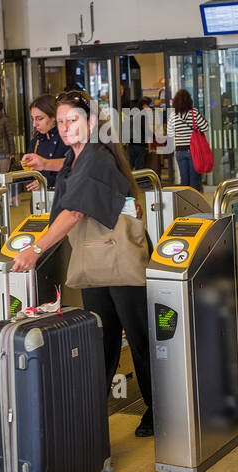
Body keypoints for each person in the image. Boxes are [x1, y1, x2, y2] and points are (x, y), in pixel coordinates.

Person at [10, 90, 154, 437]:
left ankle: (158, 406)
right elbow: (69, 171)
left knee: (138, 337)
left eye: (71, 120)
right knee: (100, 337)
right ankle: (93, 407)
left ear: (90, 122)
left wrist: (36, 249)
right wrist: (46, 165)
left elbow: (74, 211)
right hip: (96, 257)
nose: (64, 127)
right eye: (59, 122)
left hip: (118, 256)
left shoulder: (98, 156)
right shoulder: (79, 155)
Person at [21, 93, 70, 188]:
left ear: (54, 117)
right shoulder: (36, 142)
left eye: (39, 119)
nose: (35, 124)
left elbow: (76, 168)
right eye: (33, 119)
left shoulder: (67, 138)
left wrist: (47, 181)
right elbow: (30, 174)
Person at [167, 88, 210, 190]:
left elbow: (170, 133)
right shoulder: (194, 113)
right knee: (195, 181)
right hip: (194, 151)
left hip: (180, 152)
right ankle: (196, 204)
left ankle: (185, 203)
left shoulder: (173, 115)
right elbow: (205, 127)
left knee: (184, 181)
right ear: (189, 100)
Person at [127, 96, 152, 172]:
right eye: (148, 105)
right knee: (140, 167)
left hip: (131, 143)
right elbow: (145, 129)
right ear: (144, 106)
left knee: (130, 166)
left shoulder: (134, 114)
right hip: (140, 145)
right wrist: (154, 135)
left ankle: (130, 183)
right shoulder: (143, 115)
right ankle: (140, 183)